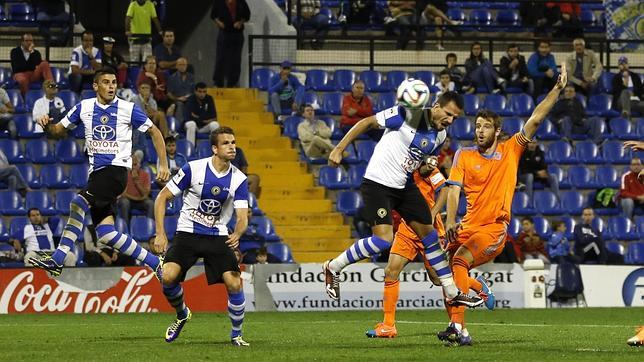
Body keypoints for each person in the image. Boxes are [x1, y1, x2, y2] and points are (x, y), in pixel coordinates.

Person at [322, 85, 482, 308]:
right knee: (383, 240)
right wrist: (339, 148)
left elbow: (418, 164)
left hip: (405, 186)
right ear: (435, 107)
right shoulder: (405, 115)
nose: (450, 121)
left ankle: (453, 291)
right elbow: (367, 122)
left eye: (454, 118)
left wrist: (426, 166)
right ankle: (333, 266)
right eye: (448, 114)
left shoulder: (441, 135)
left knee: (430, 237)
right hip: (378, 183)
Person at [440, 65, 567, 346]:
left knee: (459, 261)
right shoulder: (463, 154)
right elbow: (453, 191)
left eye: (486, 126)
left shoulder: (511, 149)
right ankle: (467, 312)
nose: (480, 130)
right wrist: (450, 221)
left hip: (492, 229)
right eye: (477, 126)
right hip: (466, 226)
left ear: (497, 131)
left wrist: (557, 89)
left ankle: (457, 326)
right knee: (442, 274)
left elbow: (535, 119)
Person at [28, 67, 170, 278]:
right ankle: (154, 262)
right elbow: (58, 131)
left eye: (114, 82)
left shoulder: (127, 108)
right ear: (95, 86)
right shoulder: (84, 107)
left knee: (77, 203)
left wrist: (164, 164)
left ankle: (57, 260)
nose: (111, 86)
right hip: (97, 175)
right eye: (106, 82)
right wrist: (46, 124)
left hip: (115, 171)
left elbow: (154, 131)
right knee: (106, 234)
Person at [366, 165, 492, 338]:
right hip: (407, 228)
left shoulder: (428, 168)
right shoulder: (403, 168)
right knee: (391, 271)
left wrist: (432, 213)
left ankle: (475, 289)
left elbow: (445, 190)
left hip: (429, 228)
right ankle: (388, 325)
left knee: (439, 279)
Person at [152, 126, 250, 346]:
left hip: (217, 235)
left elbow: (242, 215)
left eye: (233, 142)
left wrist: (238, 231)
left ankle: (237, 336)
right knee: (167, 278)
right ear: (215, 148)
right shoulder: (193, 169)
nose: (232, 147)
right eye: (226, 143)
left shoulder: (239, 179)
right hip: (188, 232)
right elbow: (162, 198)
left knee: (234, 284)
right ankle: (182, 313)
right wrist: (160, 233)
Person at [211, 0, 251, 87]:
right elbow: (213, 15)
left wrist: (240, 22)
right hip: (224, 33)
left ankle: (233, 83)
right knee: (221, 58)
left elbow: (247, 16)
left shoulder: (241, 2)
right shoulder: (219, 2)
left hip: (237, 34)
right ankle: (218, 82)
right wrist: (219, 23)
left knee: (236, 59)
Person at [117, 155, 154, 220]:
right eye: (131, 165)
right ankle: (125, 228)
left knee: (150, 203)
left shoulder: (145, 175)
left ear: (139, 165)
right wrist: (137, 199)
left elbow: (146, 194)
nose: (133, 167)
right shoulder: (125, 175)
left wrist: (136, 182)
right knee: (125, 202)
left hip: (141, 201)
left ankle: (150, 226)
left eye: (135, 164)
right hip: (129, 200)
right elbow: (123, 194)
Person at [184, 82, 219, 146]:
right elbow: (188, 117)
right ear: (195, 91)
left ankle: (214, 148)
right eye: (200, 91)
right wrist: (205, 118)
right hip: (193, 126)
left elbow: (214, 117)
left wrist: (197, 117)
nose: (202, 94)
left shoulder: (209, 99)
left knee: (215, 125)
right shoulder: (190, 99)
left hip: (204, 127)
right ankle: (190, 149)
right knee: (191, 124)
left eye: (204, 92)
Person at [167, 57, 195, 123]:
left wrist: (188, 97)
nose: (182, 67)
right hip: (177, 100)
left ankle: (193, 124)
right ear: (176, 66)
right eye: (180, 65)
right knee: (180, 104)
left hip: (189, 99)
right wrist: (178, 98)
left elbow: (193, 91)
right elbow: (169, 93)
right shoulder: (172, 78)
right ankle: (179, 125)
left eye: (184, 65)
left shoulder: (191, 77)